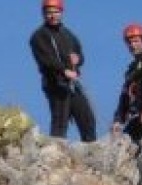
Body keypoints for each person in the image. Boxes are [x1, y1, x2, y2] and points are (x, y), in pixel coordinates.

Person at [28, 0, 97, 142]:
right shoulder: (39, 36)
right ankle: (55, 155)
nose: (52, 16)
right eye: (48, 13)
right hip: (55, 83)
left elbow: (80, 54)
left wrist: (78, 60)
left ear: (61, 12)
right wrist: (63, 71)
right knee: (60, 120)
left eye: (55, 12)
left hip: (72, 84)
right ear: (43, 14)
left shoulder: (68, 34)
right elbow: (46, 60)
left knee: (87, 117)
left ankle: (91, 150)